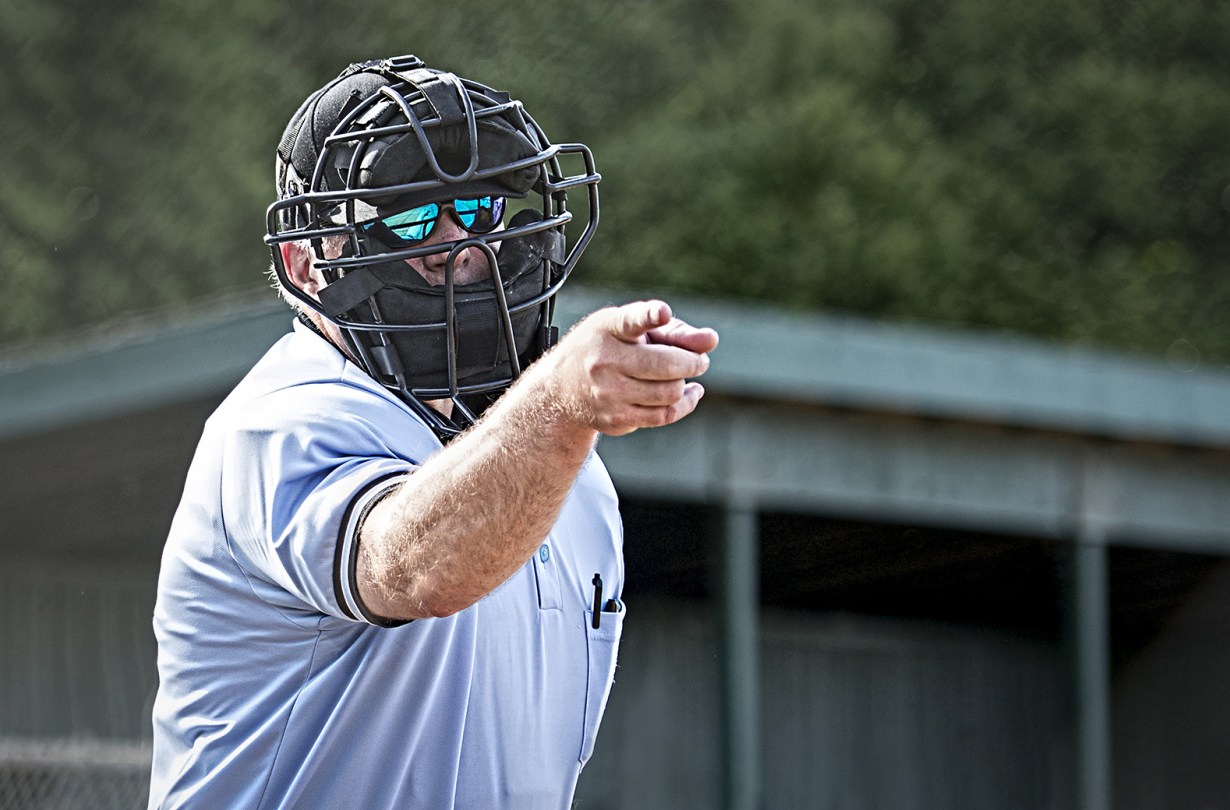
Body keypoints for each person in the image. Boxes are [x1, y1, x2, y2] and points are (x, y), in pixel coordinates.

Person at [147, 54, 718, 809]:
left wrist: (558, 416)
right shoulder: (281, 421)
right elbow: (412, 570)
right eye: (410, 218)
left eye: (479, 208)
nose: (462, 248)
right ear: (305, 263)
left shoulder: (574, 473)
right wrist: (558, 404)